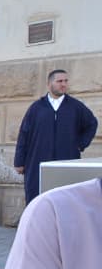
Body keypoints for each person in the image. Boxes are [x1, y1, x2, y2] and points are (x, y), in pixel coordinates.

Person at [14, 69, 98, 202]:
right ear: (49, 84)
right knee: (37, 199)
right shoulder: (37, 108)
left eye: (66, 81)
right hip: (37, 161)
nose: (63, 84)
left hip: (66, 160)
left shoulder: (75, 107)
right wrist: (19, 161)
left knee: (65, 198)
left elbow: (92, 124)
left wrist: (80, 144)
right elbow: (24, 134)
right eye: (59, 81)